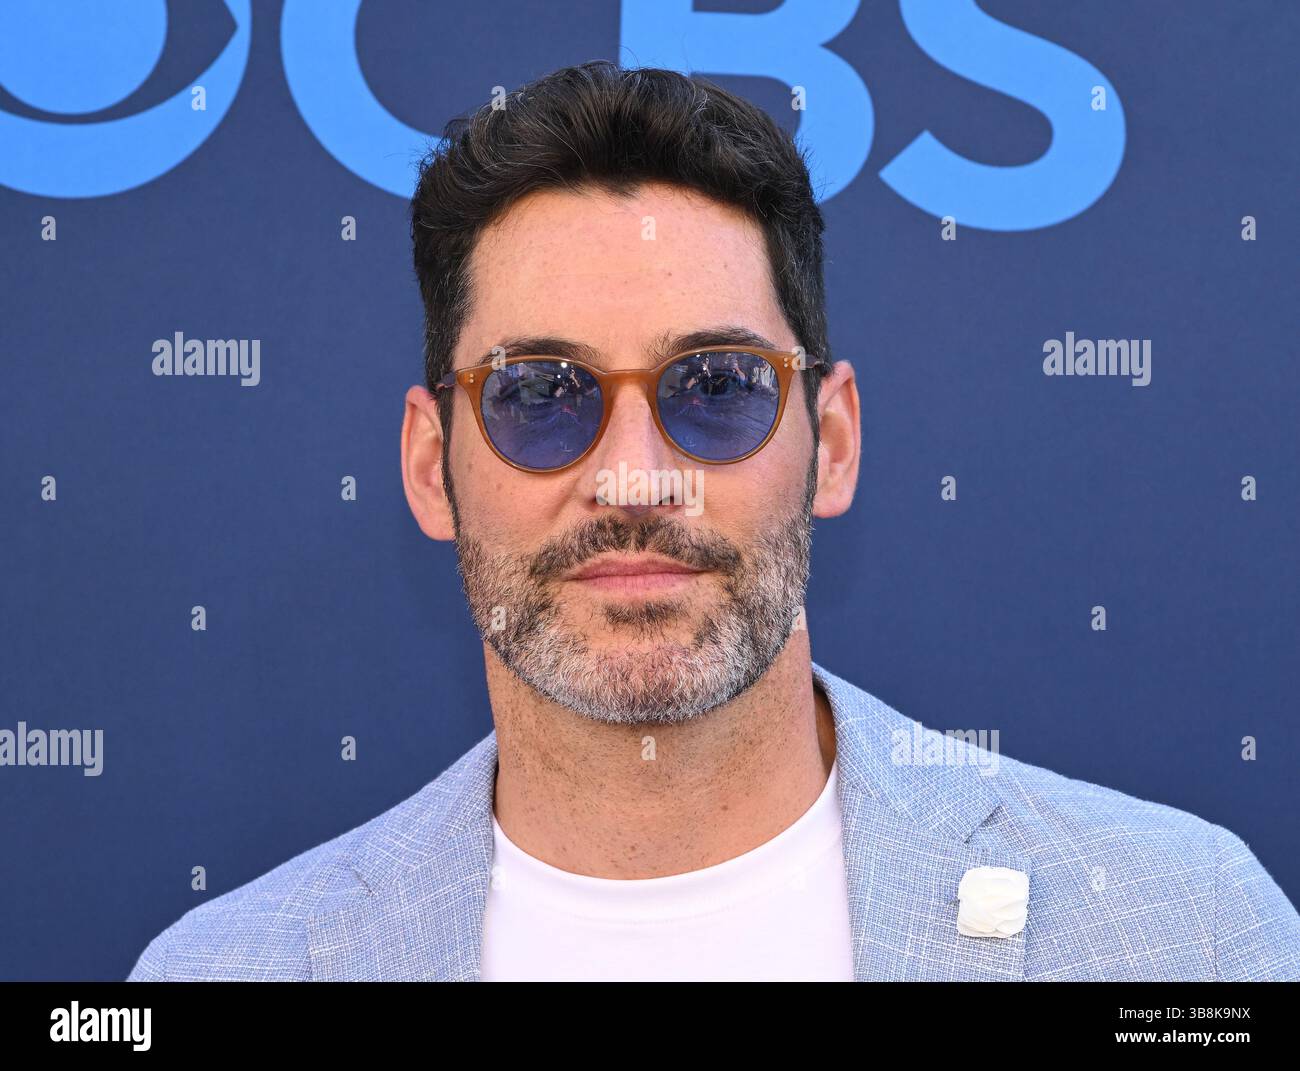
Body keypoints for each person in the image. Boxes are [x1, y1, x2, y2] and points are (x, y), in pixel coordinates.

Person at [127, 60, 1300, 982]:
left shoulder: (1185, 932)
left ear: (831, 440)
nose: (637, 481)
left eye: (716, 388)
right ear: (431, 469)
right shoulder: (226, 973)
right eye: (540, 397)